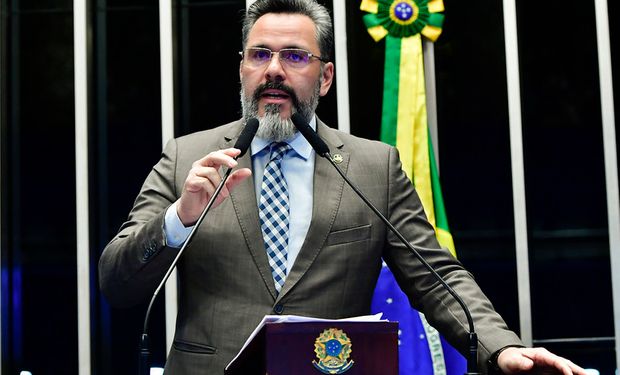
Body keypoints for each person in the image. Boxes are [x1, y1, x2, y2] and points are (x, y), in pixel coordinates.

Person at [99, 0, 586, 373]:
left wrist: (503, 350)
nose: (274, 70)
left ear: (325, 76)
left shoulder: (373, 166)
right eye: (260, 55)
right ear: (242, 69)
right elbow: (116, 282)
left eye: (294, 56)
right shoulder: (188, 156)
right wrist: (178, 219)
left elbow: (439, 279)